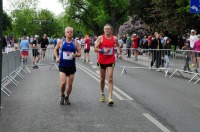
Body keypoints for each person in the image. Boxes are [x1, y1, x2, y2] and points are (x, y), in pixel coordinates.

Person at [94, 24, 122, 105]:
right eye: (105, 29)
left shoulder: (114, 38)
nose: (107, 30)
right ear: (103, 30)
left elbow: (118, 45)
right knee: (102, 79)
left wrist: (119, 53)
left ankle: (110, 97)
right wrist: (103, 50)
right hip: (102, 60)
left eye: (108, 29)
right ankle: (102, 93)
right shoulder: (100, 38)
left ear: (111, 30)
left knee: (110, 78)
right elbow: (95, 48)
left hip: (111, 60)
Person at [54, 26, 81, 105]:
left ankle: (67, 97)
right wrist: (57, 57)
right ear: (65, 33)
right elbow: (55, 49)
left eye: (71, 32)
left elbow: (80, 53)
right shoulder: (61, 42)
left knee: (70, 84)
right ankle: (62, 95)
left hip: (71, 66)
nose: (70, 33)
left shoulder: (75, 42)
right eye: (68, 32)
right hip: (62, 65)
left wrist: (75, 55)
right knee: (63, 83)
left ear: (73, 33)